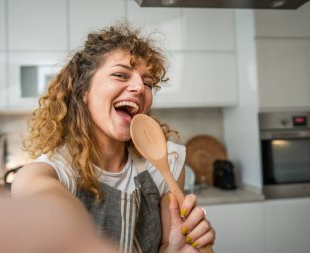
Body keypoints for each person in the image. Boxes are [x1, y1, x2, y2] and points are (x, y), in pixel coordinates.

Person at [11, 21, 215, 253]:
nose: (140, 87)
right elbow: (31, 186)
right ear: (84, 91)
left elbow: (168, 246)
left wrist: (178, 249)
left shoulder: (166, 164)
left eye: (148, 83)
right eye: (120, 75)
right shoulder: (58, 170)